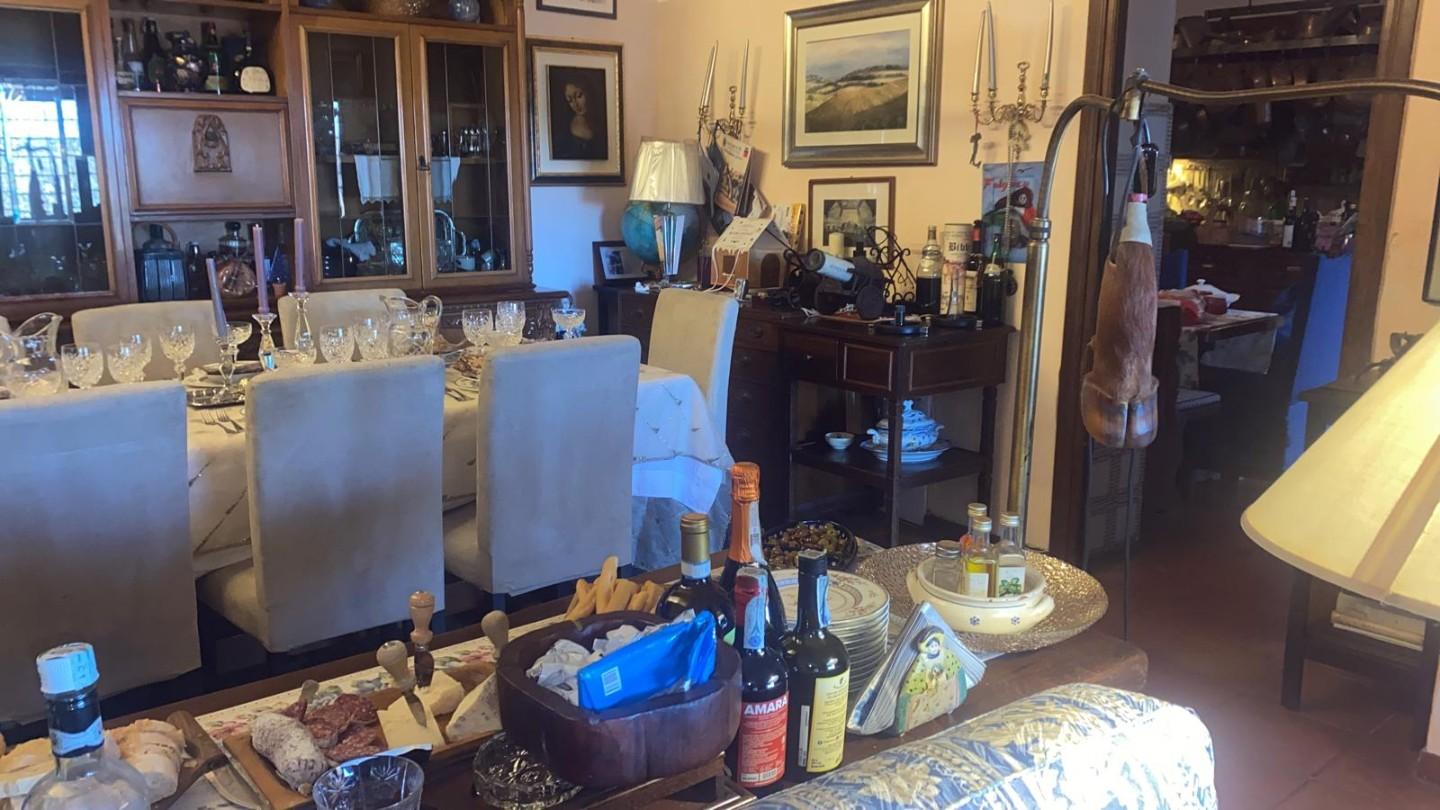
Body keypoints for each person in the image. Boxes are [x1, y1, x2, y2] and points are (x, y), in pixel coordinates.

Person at [552, 74, 606, 161]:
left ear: (588, 92)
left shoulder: (603, 123)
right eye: (570, 100)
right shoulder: (564, 129)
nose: (575, 104)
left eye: (579, 96)